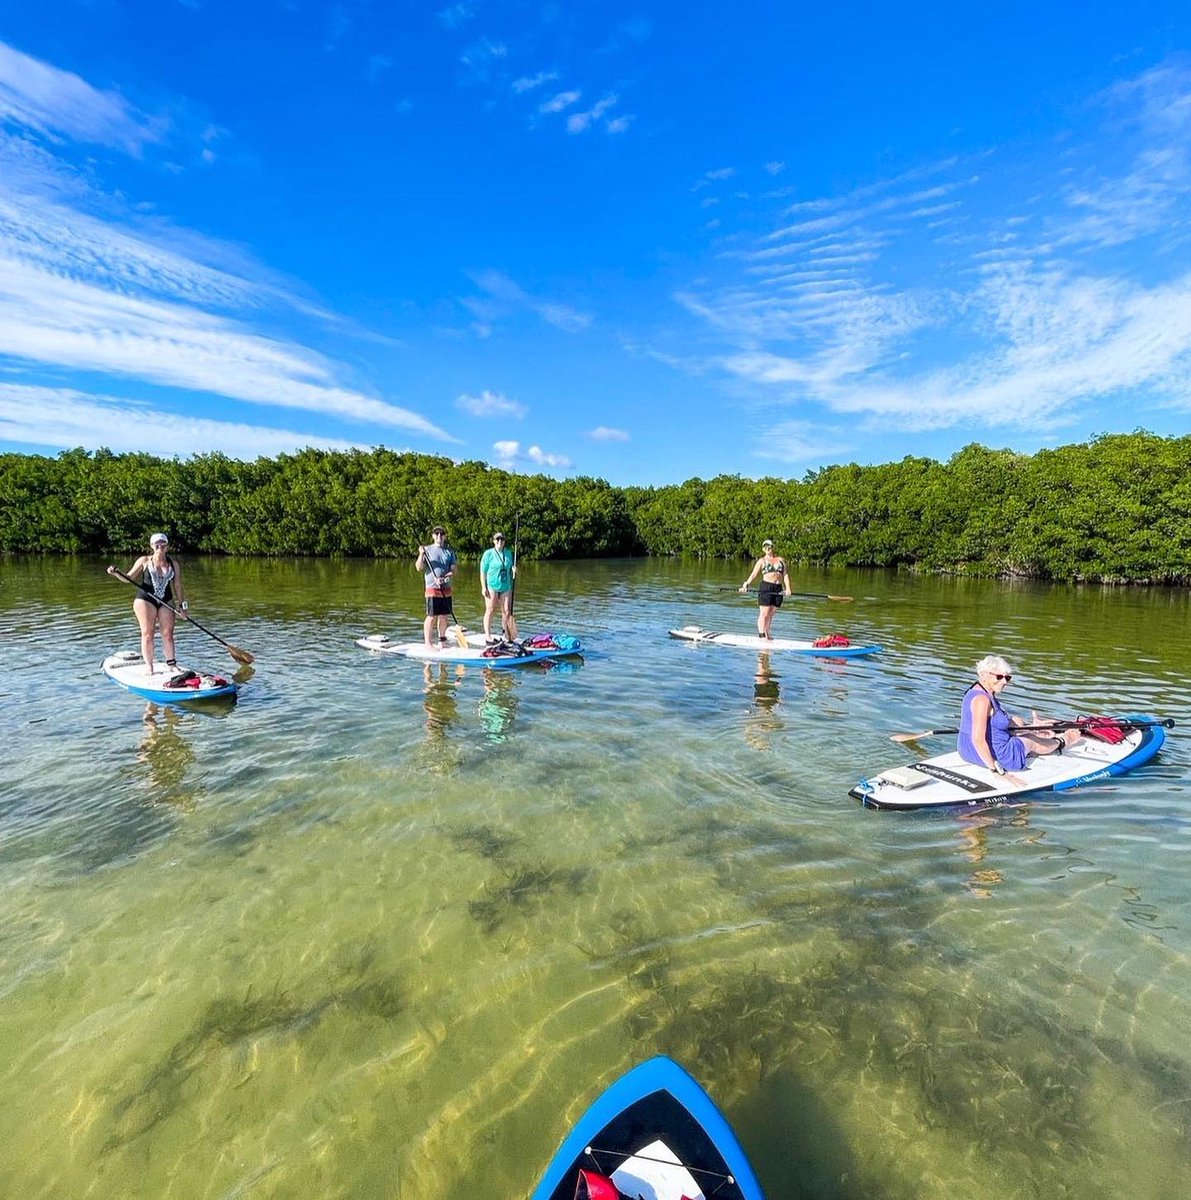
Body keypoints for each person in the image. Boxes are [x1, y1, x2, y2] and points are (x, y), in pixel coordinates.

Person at [957, 655, 1080, 774]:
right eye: (999, 677)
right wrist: (996, 771)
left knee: (1018, 721)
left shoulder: (975, 690)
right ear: (983, 675)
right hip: (1000, 756)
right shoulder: (982, 700)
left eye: (1007, 678)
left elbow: (992, 725)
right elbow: (978, 739)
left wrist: (1031, 727)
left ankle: (1034, 732)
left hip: (966, 751)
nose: (1004, 682)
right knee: (1031, 739)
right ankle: (1063, 741)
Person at [106, 532, 190, 674]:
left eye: (163, 543)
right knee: (147, 634)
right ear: (152, 546)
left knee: (168, 633)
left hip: (166, 600)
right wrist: (116, 573)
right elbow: (128, 578)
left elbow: (177, 585)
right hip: (145, 600)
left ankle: (171, 664)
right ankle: (149, 666)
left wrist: (183, 606)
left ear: (167, 546)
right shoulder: (144, 560)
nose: (160, 546)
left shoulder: (174, 564)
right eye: (157, 543)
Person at [739, 538, 792, 639]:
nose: (768, 548)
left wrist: (788, 588)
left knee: (771, 612)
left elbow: (785, 575)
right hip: (766, 587)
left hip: (778, 588)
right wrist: (746, 584)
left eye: (769, 546)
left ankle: (767, 633)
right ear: (763, 549)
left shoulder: (781, 560)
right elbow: (754, 574)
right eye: (765, 546)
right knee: (764, 612)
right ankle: (761, 634)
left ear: (773, 547)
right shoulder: (761, 561)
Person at [416, 526, 457, 648]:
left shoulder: (449, 552)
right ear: (433, 536)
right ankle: (428, 643)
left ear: (445, 536)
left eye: (442, 534)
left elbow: (453, 570)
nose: (439, 536)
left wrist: (444, 578)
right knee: (431, 616)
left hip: (446, 589)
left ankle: (442, 641)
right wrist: (421, 554)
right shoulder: (427, 550)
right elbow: (419, 567)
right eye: (437, 533)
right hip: (432, 589)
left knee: (444, 616)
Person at [479, 530, 518, 644]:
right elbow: (483, 572)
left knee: (506, 610)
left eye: (502, 539)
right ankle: (487, 635)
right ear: (494, 541)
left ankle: (506, 633)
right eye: (498, 539)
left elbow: (510, 567)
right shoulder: (488, 554)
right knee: (490, 609)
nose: (500, 541)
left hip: (506, 586)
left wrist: (514, 570)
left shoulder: (509, 553)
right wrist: (483, 587)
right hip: (492, 586)